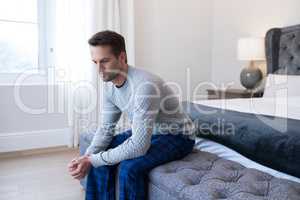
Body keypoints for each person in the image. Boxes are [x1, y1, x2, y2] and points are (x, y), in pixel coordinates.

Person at [68, 30, 196, 200]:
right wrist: (87, 157)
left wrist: (93, 160)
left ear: (122, 57)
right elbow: (106, 128)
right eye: (95, 62)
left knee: (129, 168)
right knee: (99, 155)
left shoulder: (145, 86)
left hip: (177, 136)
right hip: (152, 131)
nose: (99, 69)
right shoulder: (109, 85)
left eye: (105, 61)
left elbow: (139, 146)